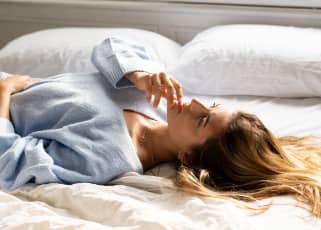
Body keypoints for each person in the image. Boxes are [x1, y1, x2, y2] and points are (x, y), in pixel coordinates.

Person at [1, 37, 321, 217]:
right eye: (210, 106)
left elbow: (10, 163)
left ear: (185, 155)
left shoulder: (109, 156)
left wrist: (5, 91)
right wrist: (139, 74)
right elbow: (109, 45)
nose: (195, 104)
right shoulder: (154, 97)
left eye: (202, 120)